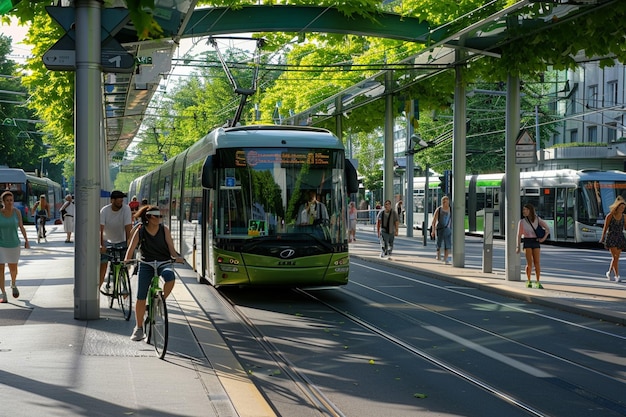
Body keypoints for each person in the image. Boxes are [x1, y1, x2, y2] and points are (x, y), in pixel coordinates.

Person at [124, 205, 183, 341]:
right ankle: (138, 328)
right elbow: (132, 247)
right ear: (149, 217)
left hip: (163, 262)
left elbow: (171, 247)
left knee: (170, 277)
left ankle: (158, 302)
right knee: (141, 296)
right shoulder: (141, 231)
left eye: (160, 216)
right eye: (156, 216)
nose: (159, 218)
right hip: (146, 264)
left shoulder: (164, 230)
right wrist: (127, 259)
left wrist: (176, 257)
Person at [0, 191, 29, 303]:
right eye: (7, 200)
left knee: (13, 269)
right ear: (3, 202)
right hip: (1, 244)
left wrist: (26, 240)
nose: (9, 202)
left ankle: (13, 283)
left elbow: (21, 227)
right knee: (1, 269)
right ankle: (3, 293)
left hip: (14, 244)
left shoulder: (17, 212)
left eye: (11, 200)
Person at [99, 190, 133, 288]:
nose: (120, 204)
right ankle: (97, 290)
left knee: (123, 265)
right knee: (103, 265)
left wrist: (129, 245)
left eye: (121, 201)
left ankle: (125, 288)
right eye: (118, 202)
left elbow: (128, 229)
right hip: (106, 241)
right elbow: (100, 230)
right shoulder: (104, 211)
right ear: (112, 200)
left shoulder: (126, 209)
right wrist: (101, 245)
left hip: (121, 240)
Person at [516, 203, 550, 289]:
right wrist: (518, 246)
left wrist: (543, 239)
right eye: (523, 210)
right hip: (527, 241)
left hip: (535, 241)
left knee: (537, 262)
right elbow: (519, 235)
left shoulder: (537, 219)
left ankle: (538, 281)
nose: (524, 211)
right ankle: (529, 280)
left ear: (530, 210)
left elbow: (547, 229)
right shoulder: (522, 222)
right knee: (529, 263)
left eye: (526, 210)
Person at [600, 196, 626, 282]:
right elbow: (605, 227)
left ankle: (609, 272)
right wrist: (602, 237)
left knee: (616, 258)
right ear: (617, 207)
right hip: (611, 237)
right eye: (621, 207)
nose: (622, 209)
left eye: (624, 208)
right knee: (614, 257)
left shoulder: (624, 217)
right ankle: (617, 276)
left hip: (620, 237)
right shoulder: (610, 216)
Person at [431, 195, 452, 264]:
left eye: (446, 202)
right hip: (440, 228)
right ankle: (438, 256)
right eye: (443, 202)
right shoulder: (439, 209)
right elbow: (434, 221)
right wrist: (433, 230)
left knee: (447, 244)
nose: (444, 203)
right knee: (438, 243)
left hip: (448, 229)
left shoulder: (451, 209)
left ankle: (445, 258)